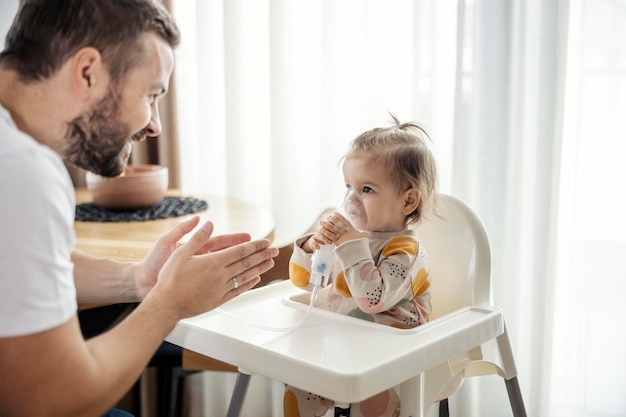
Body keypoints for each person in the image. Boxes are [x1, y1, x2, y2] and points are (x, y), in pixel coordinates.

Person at [0, 1, 278, 416]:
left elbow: (22, 265)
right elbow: (53, 400)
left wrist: (138, 279)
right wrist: (169, 304)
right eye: (151, 95)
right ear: (88, 72)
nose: (155, 125)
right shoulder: (21, 168)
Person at [284, 115, 438, 417]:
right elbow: (303, 281)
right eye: (348, 188)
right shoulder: (352, 243)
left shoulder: (406, 252)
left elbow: (373, 299)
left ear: (407, 202)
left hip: (391, 360)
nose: (351, 200)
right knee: (299, 383)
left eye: (366, 190)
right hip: (343, 345)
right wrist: (313, 247)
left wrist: (349, 244)